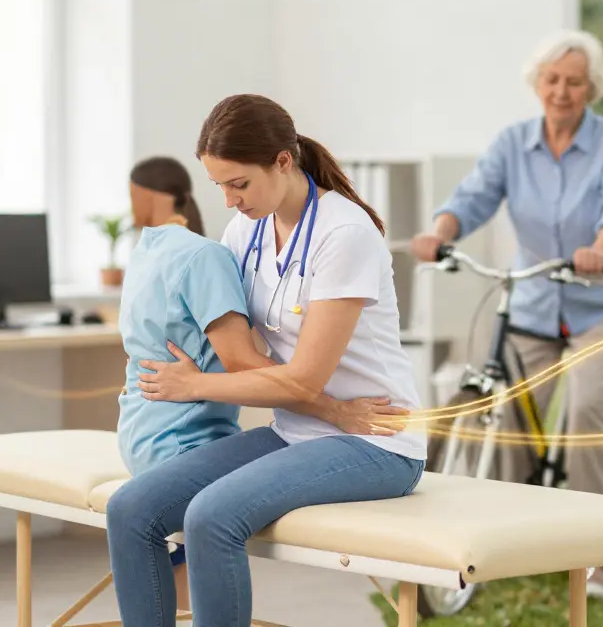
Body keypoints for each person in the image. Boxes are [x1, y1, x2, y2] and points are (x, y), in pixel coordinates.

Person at [105, 95, 427, 627]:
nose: (229, 201)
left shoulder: (344, 234)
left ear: (283, 160)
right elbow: (242, 356)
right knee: (132, 510)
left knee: (210, 516)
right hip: (298, 428)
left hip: (375, 441)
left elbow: (302, 378)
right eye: (219, 187)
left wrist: (194, 386)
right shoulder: (245, 232)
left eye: (239, 184)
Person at [410, 28, 603, 600]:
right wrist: (441, 232)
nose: (561, 91)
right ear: (537, 84)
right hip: (534, 301)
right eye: (552, 79)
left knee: (585, 409)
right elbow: (474, 196)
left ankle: (600, 558)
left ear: (593, 89)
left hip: (602, 302)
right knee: (510, 418)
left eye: (574, 81)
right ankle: (515, 544)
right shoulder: (513, 143)